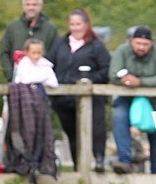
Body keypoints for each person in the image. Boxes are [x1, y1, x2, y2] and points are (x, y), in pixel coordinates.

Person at [47, 9, 111, 173]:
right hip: (64, 97)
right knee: (72, 134)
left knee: (96, 129)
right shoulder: (60, 44)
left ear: (86, 24)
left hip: (91, 97)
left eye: (78, 24)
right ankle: (78, 168)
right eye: (72, 24)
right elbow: (48, 64)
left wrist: (87, 80)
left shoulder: (96, 46)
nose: (75, 28)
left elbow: (105, 71)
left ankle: (99, 160)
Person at [109, 26, 156, 174]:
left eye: (145, 44)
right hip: (126, 98)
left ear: (151, 44)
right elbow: (113, 75)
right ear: (131, 42)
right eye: (138, 43)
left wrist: (140, 82)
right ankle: (124, 161)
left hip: (153, 99)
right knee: (119, 116)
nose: (141, 47)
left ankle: (155, 169)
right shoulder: (122, 51)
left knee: (155, 128)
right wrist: (126, 81)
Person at [0, 0, 58, 81]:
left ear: (40, 6)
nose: (31, 8)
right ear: (23, 6)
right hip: (17, 81)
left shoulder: (50, 29)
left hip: (43, 82)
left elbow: (55, 54)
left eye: (34, 4)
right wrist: (10, 76)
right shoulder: (13, 27)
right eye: (28, 4)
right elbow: (4, 52)